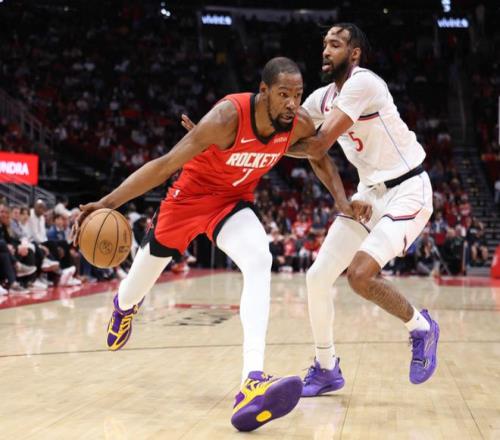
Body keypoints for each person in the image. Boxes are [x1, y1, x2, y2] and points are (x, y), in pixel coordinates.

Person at [75, 57, 369, 432]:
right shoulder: (226, 117)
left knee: (260, 259)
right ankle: (124, 306)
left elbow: (318, 156)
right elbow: (165, 165)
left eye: (297, 94)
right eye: (283, 94)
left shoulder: (296, 123)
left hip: (231, 205)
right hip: (186, 201)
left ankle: (251, 382)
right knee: (136, 286)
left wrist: (342, 201)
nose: (292, 103)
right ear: (263, 91)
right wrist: (107, 203)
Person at [290, 23, 439, 394]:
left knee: (359, 276)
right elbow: (288, 134)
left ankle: (421, 328)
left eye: (335, 44)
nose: (326, 51)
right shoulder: (321, 99)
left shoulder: (364, 83)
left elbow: (317, 145)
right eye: (324, 44)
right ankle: (326, 368)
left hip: (408, 188)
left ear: (353, 53)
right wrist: (232, 139)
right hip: (369, 195)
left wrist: (273, 147)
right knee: (317, 277)